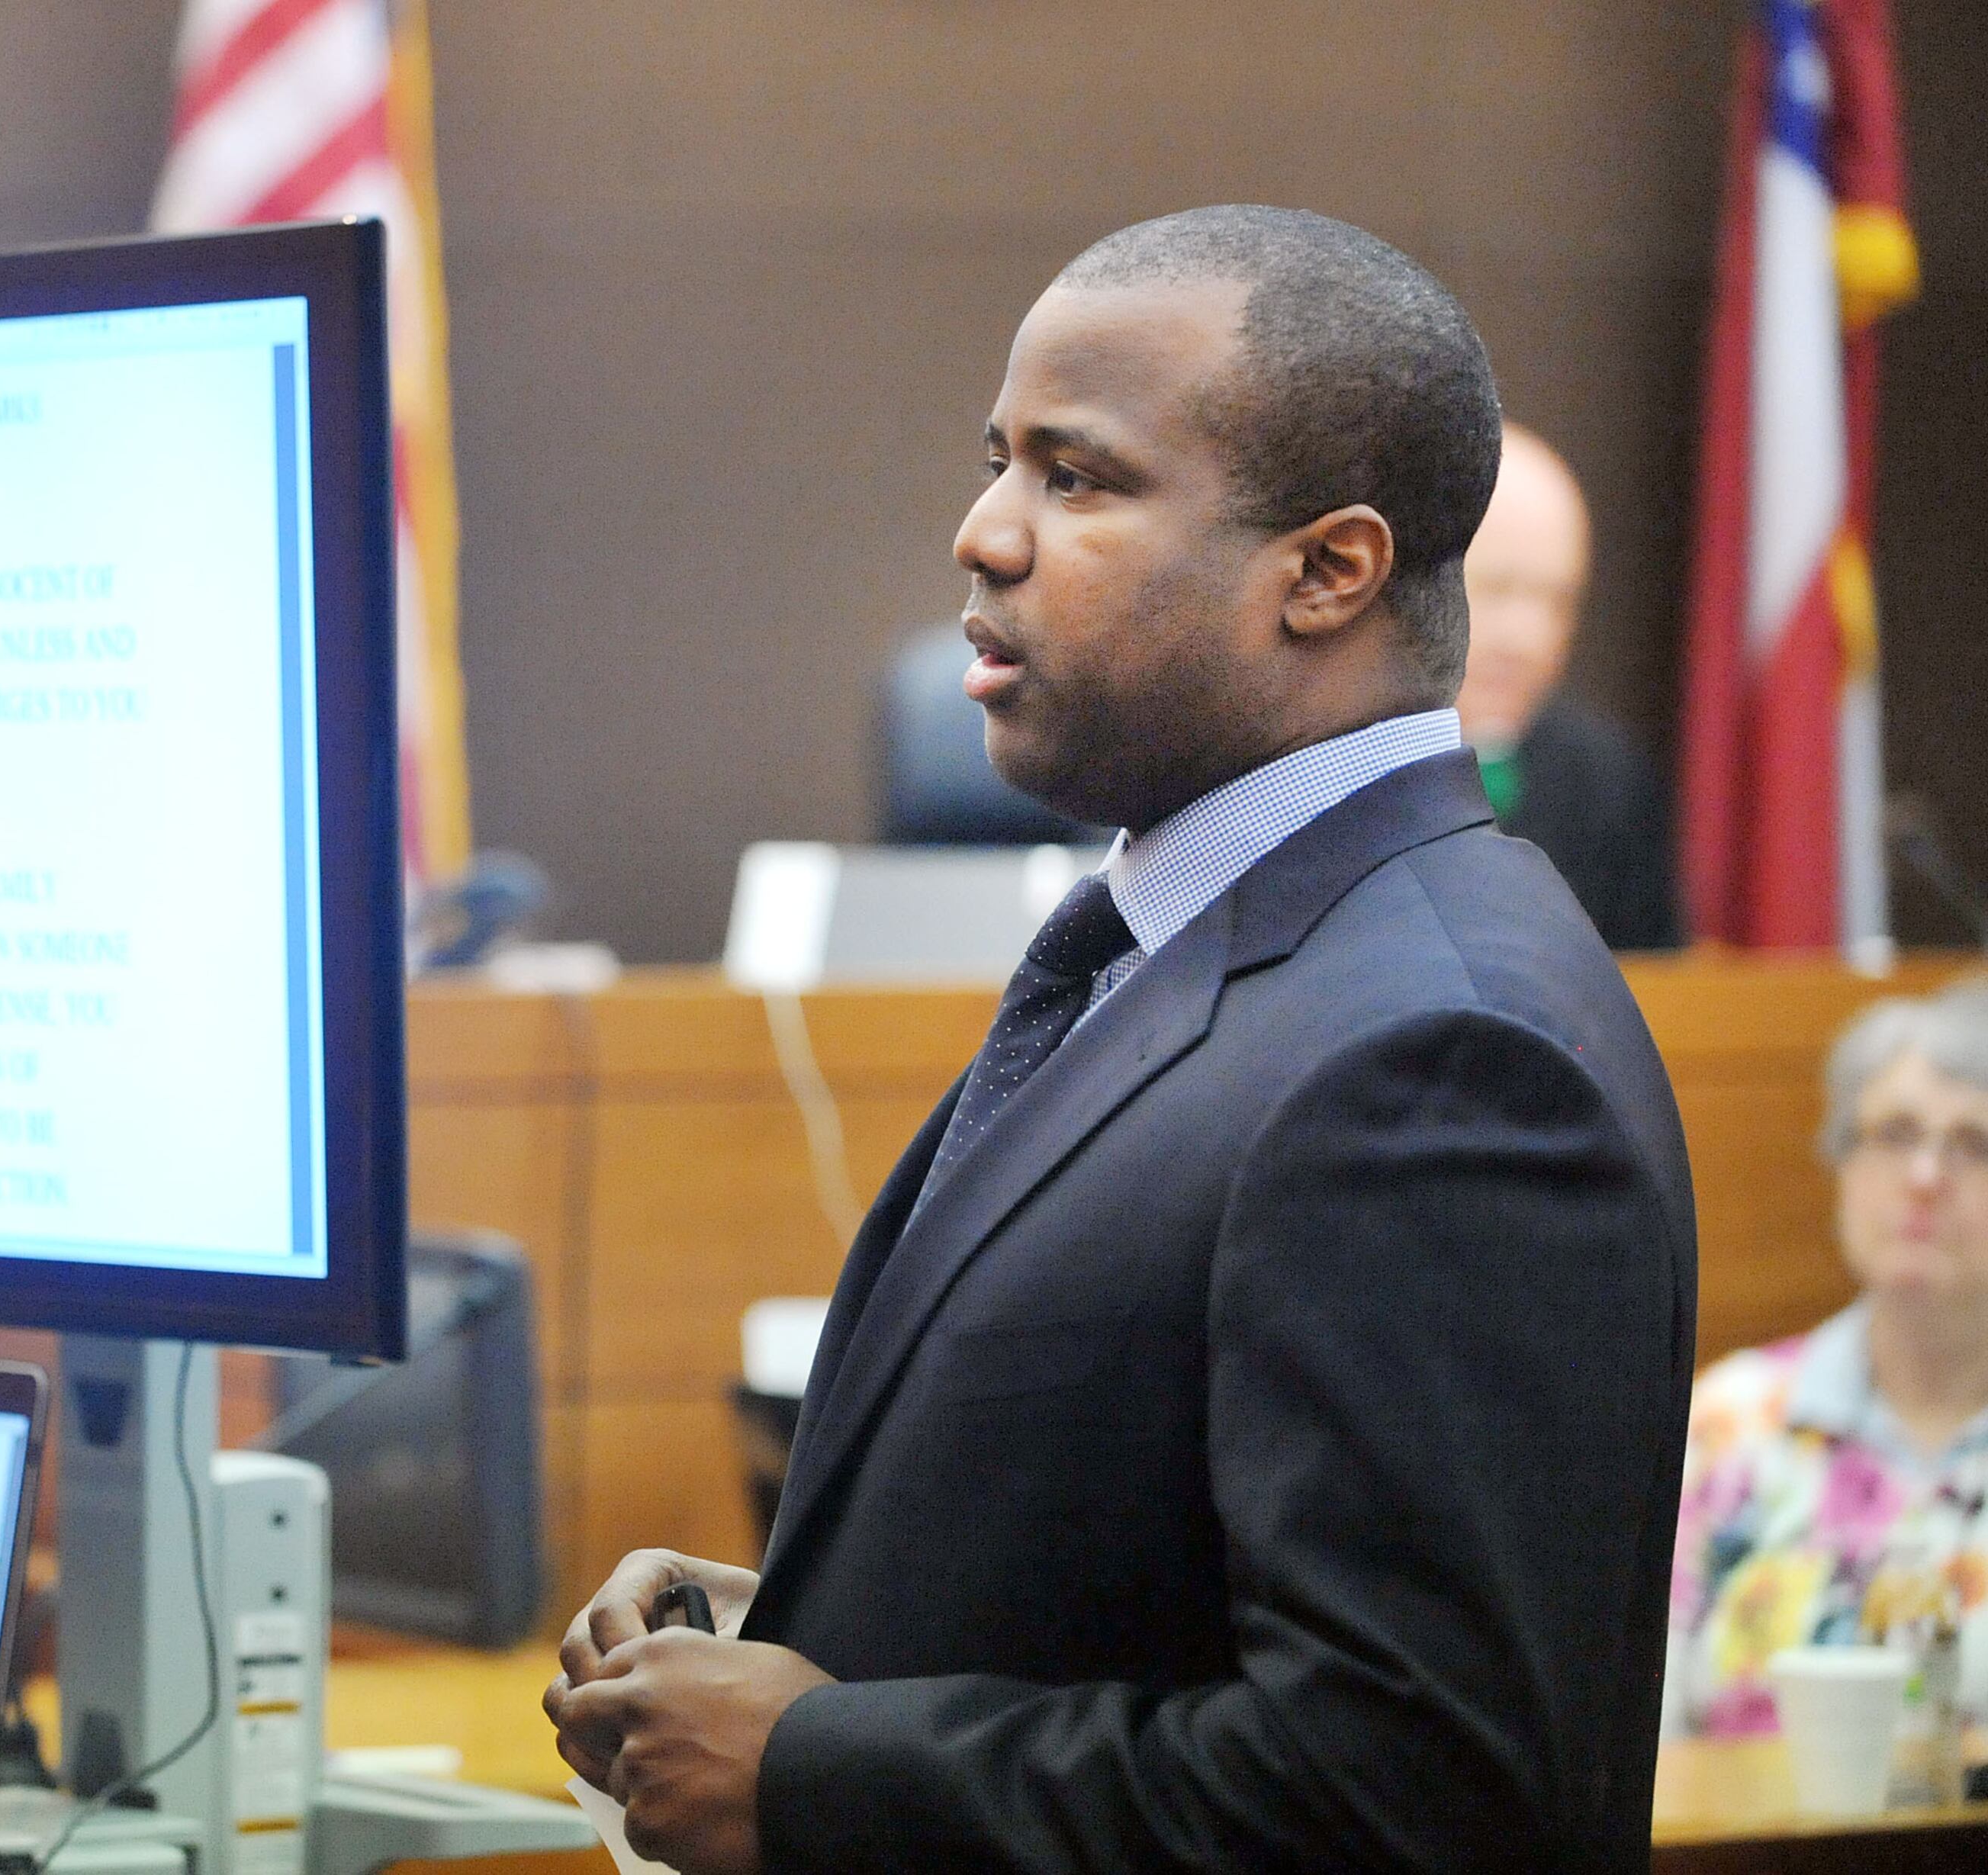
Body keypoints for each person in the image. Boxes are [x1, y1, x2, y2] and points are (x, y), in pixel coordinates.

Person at [545, 205, 1697, 1874]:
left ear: (1329, 570)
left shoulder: (1444, 1050)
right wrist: (783, 1634)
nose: (981, 535)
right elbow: (1144, 1581)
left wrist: (817, 1763)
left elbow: (1423, 1796)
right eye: (999, 461)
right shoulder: (1183, 945)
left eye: (1076, 479)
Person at [1669, 980, 1988, 1737]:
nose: (1925, 1177)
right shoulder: (1729, 1423)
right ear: (1840, 1162)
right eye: (1896, 1133)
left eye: (1975, 1144)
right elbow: (1639, 1743)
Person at [1455, 423, 1682, 950]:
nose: (1525, 639)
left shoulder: (1606, 783)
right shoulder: (1332, 757)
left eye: (1557, 601)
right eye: (1495, 589)